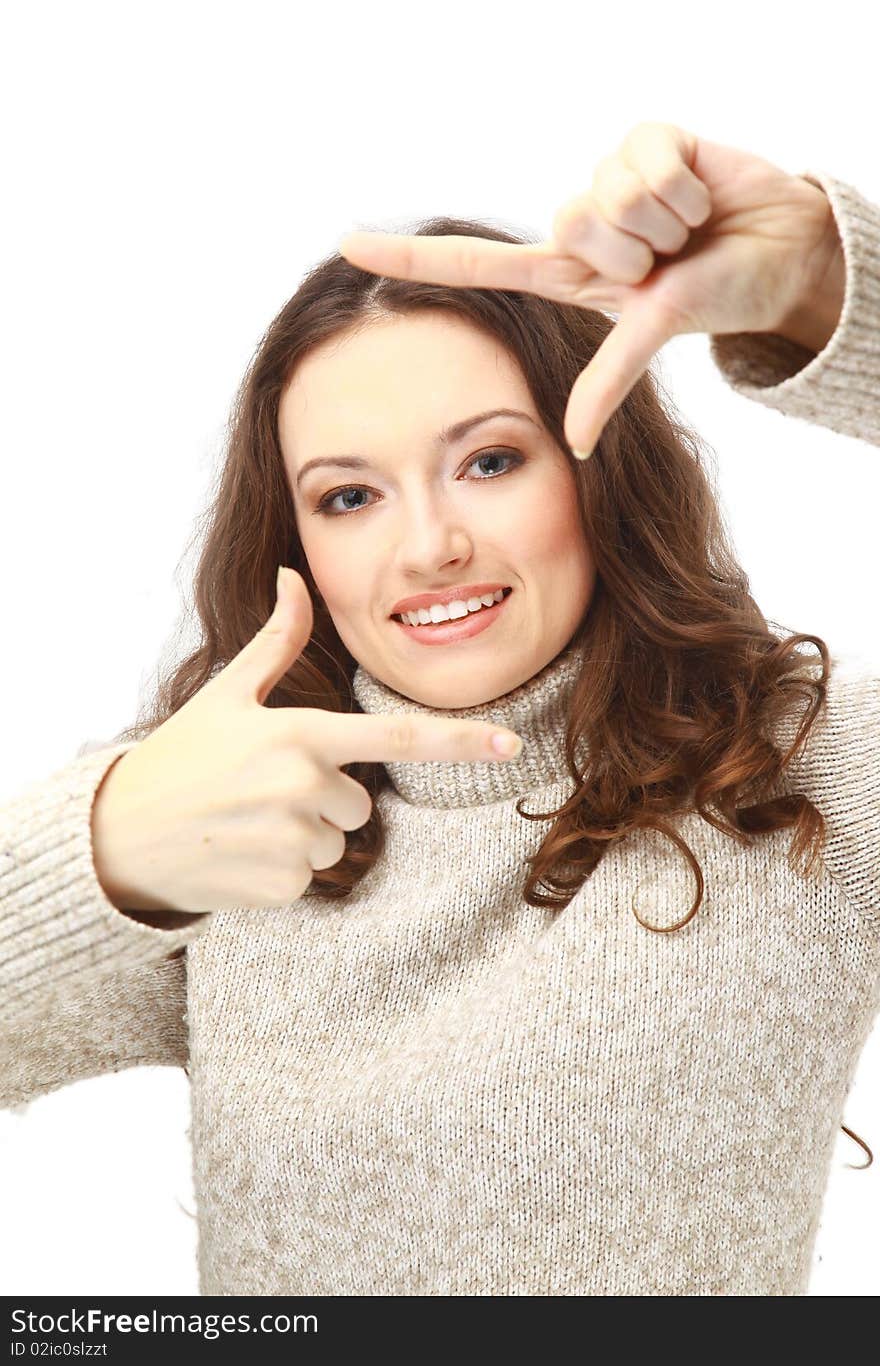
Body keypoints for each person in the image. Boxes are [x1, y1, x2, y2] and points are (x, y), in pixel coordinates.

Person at [2, 123, 878, 1297]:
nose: (427, 547)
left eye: (489, 461)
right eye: (350, 494)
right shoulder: (234, 810)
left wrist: (829, 285)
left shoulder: (802, 777)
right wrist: (97, 857)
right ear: (295, 540)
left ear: (597, 467)